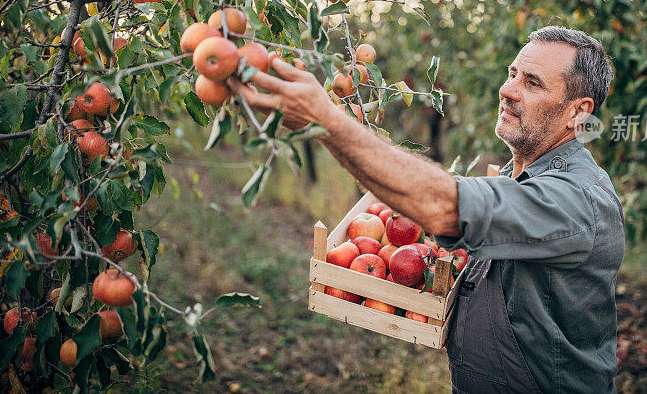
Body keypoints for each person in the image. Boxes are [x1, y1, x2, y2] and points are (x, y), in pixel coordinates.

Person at [230, 26, 625, 393]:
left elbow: (442, 206)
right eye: (512, 73)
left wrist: (325, 119)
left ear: (577, 112)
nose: (507, 89)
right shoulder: (517, 176)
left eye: (532, 82)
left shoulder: (575, 200)